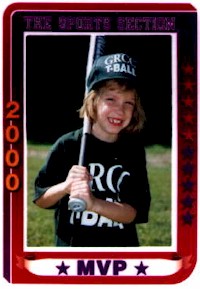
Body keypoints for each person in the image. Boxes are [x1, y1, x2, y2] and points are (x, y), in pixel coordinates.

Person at [34, 53, 151, 247]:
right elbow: (41, 200)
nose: (120, 110)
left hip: (119, 253)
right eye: (111, 99)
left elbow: (133, 213)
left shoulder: (133, 150)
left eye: (128, 103)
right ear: (93, 101)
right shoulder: (68, 145)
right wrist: (66, 186)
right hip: (73, 253)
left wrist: (94, 203)